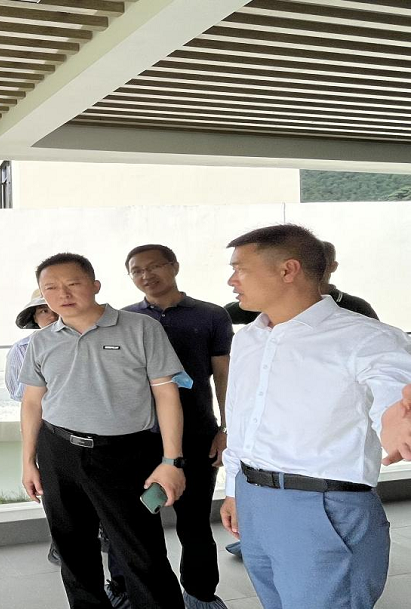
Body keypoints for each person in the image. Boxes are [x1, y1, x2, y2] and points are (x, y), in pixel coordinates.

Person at [219, 224, 411, 609]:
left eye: (241, 269)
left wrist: (395, 420)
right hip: (254, 499)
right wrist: (234, 490)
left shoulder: (367, 338)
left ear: (287, 270)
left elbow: (393, 389)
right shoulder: (249, 338)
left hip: (322, 506)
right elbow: (241, 418)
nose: (231, 280)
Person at [19, 252, 187, 609]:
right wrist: (28, 461)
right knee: (72, 548)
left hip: (125, 454)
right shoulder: (42, 340)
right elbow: (33, 402)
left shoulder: (141, 328)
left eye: (73, 283)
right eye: (51, 288)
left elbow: (166, 394)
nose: (63, 294)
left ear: (95, 285)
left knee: (141, 552)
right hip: (58, 450)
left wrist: (171, 460)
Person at [122, 244, 232, 609]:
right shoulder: (125, 319)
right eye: (137, 271)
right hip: (138, 436)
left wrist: (226, 428)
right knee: (134, 522)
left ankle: (201, 594)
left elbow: (224, 376)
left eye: (154, 266)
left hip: (197, 432)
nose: (146, 275)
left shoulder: (211, 315)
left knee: (194, 521)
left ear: (174, 266)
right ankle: (130, 592)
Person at [5, 287, 60, 565]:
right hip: (45, 427)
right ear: (34, 317)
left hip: (87, 428)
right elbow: (21, 396)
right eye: (43, 310)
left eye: (54, 308)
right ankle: (59, 544)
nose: (50, 315)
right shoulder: (22, 350)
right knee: (52, 489)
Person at [224, 239, 378, 324]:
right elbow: (222, 316)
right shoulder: (265, 304)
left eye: (322, 264)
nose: (316, 269)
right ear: (292, 268)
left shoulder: (356, 307)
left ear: (333, 266)